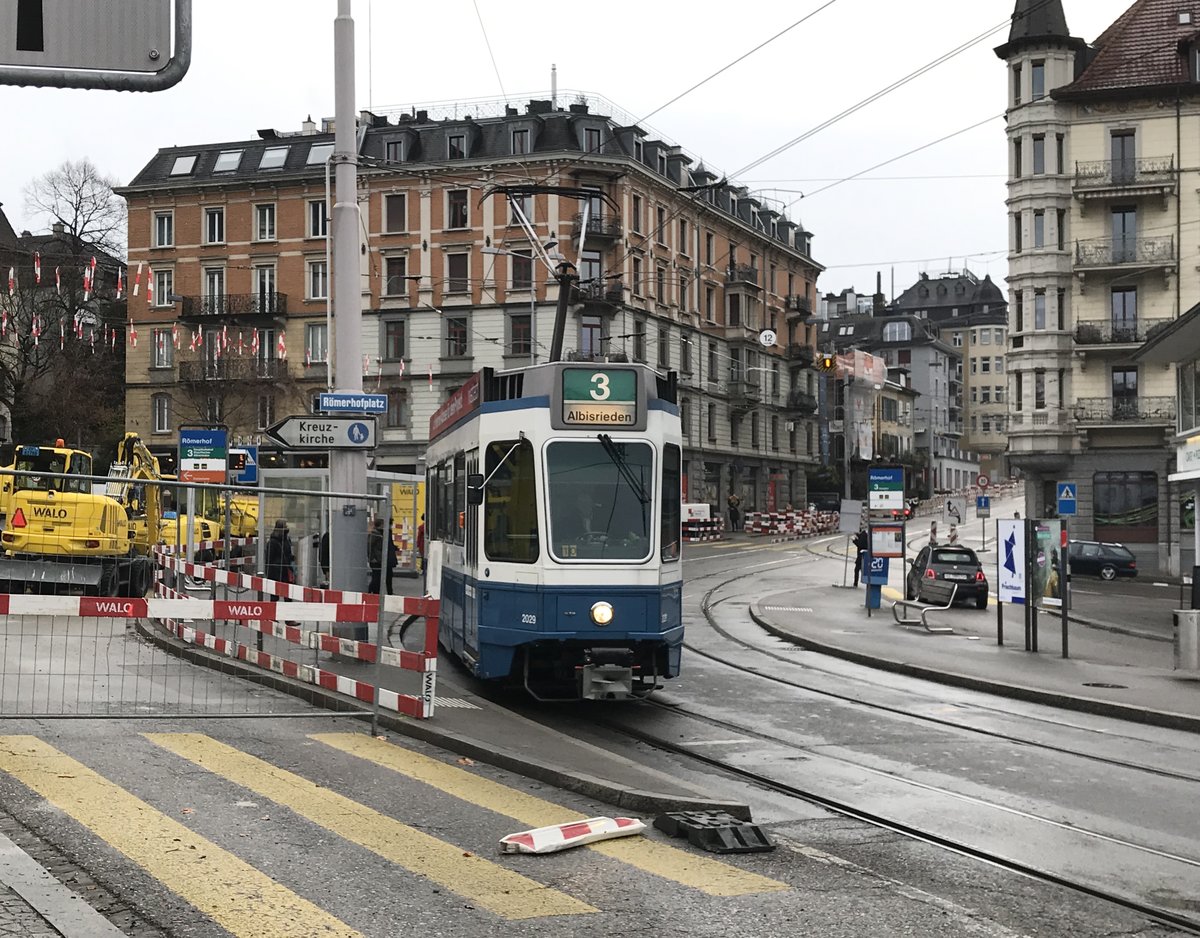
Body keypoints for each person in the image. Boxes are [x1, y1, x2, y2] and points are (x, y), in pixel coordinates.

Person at [368, 517, 398, 594]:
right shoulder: (376, 534)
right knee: (376, 578)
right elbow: (370, 547)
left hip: (382, 559)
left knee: (384, 577)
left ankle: (386, 592)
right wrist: (372, 558)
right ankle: (373, 592)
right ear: (381, 525)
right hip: (377, 560)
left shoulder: (383, 533)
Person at [265, 519, 295, 585]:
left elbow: (269, 559)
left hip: (278, 571)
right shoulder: (285, 540)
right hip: (281, 571)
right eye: (286, 526)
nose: (287, 527)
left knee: (276, 592)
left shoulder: (273, 541)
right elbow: (269, 559)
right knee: (286, 591)